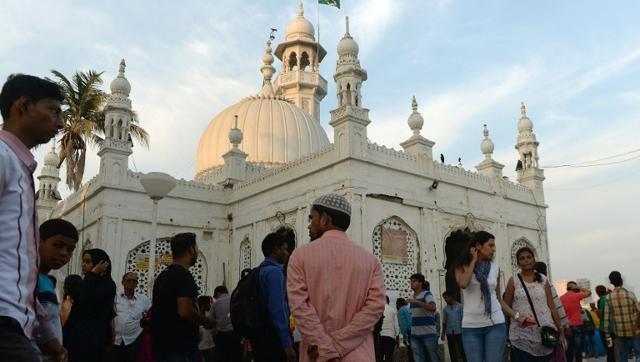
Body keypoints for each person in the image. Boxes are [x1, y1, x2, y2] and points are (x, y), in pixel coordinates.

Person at [0, 74, 66, 361]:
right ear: (23, 106)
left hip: (15, 324)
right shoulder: (3, 157)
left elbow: (22, 275)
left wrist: (47, 335)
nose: (61, 123)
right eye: (53, 110)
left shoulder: (19, 168)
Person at [287, 193, 386, 361]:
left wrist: (325, 348)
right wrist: (338, 344)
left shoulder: (300, 256)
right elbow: (375, 307)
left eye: (312, 219)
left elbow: (300, 307)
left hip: (317, 355)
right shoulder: (370, 261)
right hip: (359, 354)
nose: (309, 225)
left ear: (325, 219)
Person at [452, 230, 515, 362]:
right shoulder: (461, 267)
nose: (494, 249)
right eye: (490, 245)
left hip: (495, 324)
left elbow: (498, 298)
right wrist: (473, 261)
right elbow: (463, 283)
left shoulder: (495, 268)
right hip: (471, 327)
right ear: (478, 246)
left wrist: (517, 316)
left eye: (494, 246)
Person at [152, 232, 212, 362]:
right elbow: (184, 310)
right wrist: (205, 321)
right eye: (196, 248)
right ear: (191, 249)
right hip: (179, 349)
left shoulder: (163, 275)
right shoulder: (183, 275)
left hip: (163, 347)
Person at [504, 247, 564, 361]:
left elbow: (552, 307)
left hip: (544, 335)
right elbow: (506, 306)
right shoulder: (513, 281)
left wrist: (561, 331)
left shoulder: (543, 280)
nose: (526, 260)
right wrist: (517, 317)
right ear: (517, 263)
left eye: (528, 257)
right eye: (522, 258)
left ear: (533, 259)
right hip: (521, 335)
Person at [249, 231, 296, 361]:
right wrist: (287, 344)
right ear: (276, 250)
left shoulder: (259, 271)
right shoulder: (275, 273)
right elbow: (277, 310)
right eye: (285, 249)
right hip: (273, 337)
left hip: (259, 335)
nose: (287, 253)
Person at [63, 248, 117, 361]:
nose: (83, 265)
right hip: (74, 338)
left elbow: (85, 300)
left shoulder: (108, 286)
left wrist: (92, 274)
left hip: (92, 340)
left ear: (100, 264)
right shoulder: (87, 282)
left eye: (88, 262)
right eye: (83, 261)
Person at [108, 272, 151, 362]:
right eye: (128, 280)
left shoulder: (143, 299)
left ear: (137, 284)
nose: (131, 283)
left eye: (134, 281)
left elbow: (151, 313)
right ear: (123, 282)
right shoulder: (114, 297)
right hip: (115, 340)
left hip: (134, 340)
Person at [603, 271, 639, 362]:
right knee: (638, 354)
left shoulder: (608, 298)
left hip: (619, 333)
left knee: (623, 356)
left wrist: (607, 336)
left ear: (611, 283)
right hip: (634, 331)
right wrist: (636, 326)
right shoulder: (631, 295)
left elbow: (606, 318)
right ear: (621, 281)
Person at [408, 273, 440, 362]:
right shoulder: (412, 297)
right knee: (418, 359)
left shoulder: (427, 294)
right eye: (411, 281)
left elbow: (433, 307)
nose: (411, 283)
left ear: (420, 283)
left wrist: (417, 302)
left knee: (434, 358)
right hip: (415, 335)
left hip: (428, 333)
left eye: (414, 281)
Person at [208, 285, 243, 361]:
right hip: (235, 333)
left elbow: (210, 320)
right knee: (235, 357)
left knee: (222, 357)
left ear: (217, 293)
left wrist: (213, 333)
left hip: (221, 335)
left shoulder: (215, 303)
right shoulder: (235, 299)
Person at [560, 280, 591, 362]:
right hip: (577, 325)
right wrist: (578, 287)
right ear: (574, 288)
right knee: (578, 350)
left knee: (568, 350)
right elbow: (589, 292)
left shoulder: (561, 298)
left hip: (566, 327)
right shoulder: (576, 295)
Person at [442, 291, 466, 362]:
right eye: (444, 298)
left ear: (450, 297)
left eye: (446, 298)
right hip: (449, 332)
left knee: (462, 350)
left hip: (459, 332)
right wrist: (443, 333)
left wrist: (464, 331)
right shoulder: (445, 309)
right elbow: (444, 322)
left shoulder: (460, 306)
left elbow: (463, 319)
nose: (445, 300)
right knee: (452, 351)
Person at [595, 285, 615, 362]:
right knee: (612, 348)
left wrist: (597, 312)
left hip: (604, 329)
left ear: (597, 293)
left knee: (609, 349)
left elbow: (600, 315)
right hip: (613, 328)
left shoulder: (601, 301)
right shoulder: (610, 298)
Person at [379, 296, 399, 361]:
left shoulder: (378, 310)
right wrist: (397, 335)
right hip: (390, 336)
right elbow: (396, 324)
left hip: (380, 336)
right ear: (388, 301)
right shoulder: (393, 310)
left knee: (379, 356)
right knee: (389, 356)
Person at [197, 296, 215, 362]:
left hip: (210, 345)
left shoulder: (209, 314)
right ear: (203, 304)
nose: (210, 305)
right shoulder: (196, 315)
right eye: (208, 303)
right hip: (199, 347)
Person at [397, 298, 414, 362]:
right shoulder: (408, 309)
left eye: (396, 303)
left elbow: (403, 324)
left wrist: (404, 336)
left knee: (410, 352)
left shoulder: (400, 311)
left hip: (408, 333)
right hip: (414, 332)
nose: (396, 305)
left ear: (399, 304)